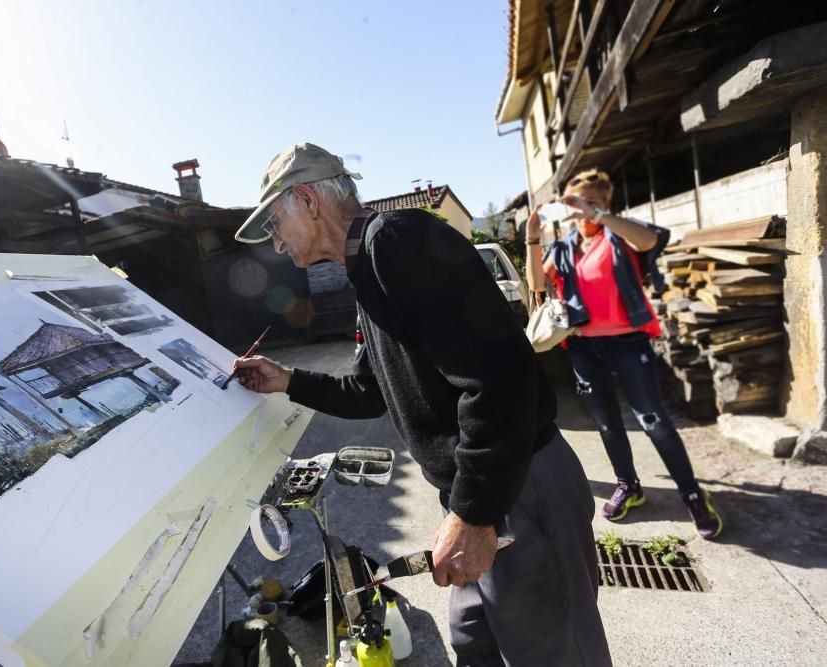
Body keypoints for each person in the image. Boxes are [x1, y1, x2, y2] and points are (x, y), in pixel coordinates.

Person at [232, 142, 612, 666]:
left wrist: (472, 514)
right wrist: (287, 381)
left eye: (275, 225)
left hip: (517, 484)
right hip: (482, 492)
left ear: (307, 200)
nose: (275, 246)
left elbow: (499, 380)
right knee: (473, 643)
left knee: (554, 654)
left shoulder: (397, 242)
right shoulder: (366, 267)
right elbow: (371, 390)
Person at [524, 168, 723, 539]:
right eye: (577, 203)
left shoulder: (619, 235)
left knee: (654, 421)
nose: (583, 210)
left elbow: (649, 240)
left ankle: (692, 493)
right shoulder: (564, 246)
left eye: (593, 202)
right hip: (583, 347)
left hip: (628, 344)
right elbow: (537, 284)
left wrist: (597, 214)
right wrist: (532, 240)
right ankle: (628, 485)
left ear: (605, 204)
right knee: (607, 424)